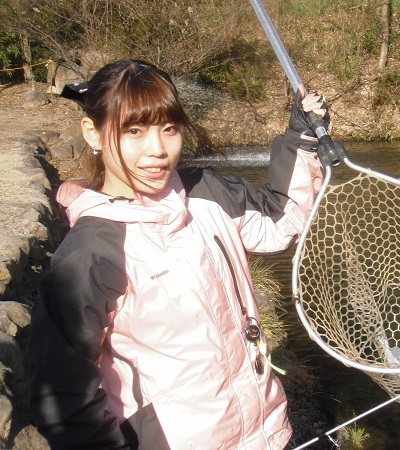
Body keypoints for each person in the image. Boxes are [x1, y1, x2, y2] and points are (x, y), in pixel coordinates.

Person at [28, 59, 329, 449]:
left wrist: (300, 141)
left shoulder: (206, 192)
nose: (158, 150)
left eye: (169, 129)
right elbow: (62, 397)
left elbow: (279, 221)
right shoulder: (91, 252)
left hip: (267, 434)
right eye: (133, 131)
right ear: (93, 132)